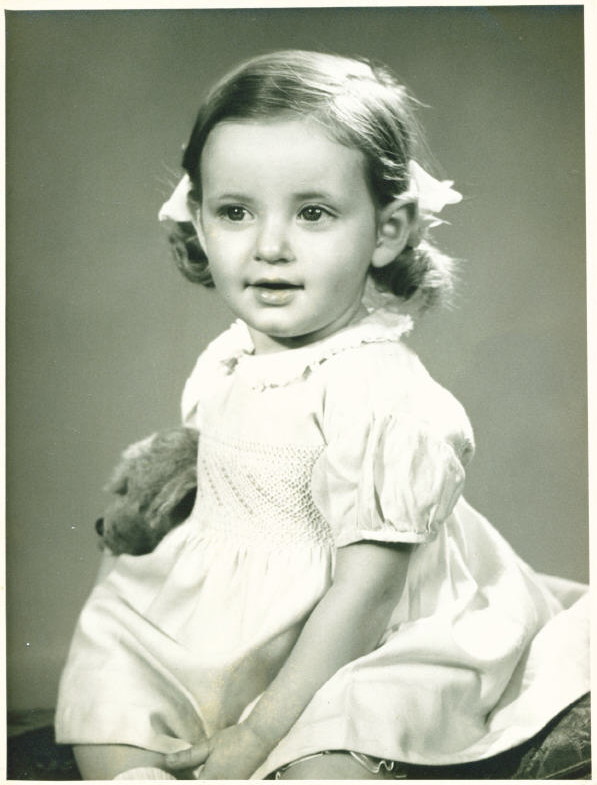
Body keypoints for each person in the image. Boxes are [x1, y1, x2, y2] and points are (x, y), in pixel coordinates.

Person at [55, 50, 589, 780]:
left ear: (388, 229)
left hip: (362, 631)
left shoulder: (382, 393)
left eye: (313, 213)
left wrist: (259, 732)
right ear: (199, 221)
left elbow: (365, 595)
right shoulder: (228, 358)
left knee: (334, 741)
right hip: (230, 615)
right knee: (112, 672)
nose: (269, 247)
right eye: (235, 211)